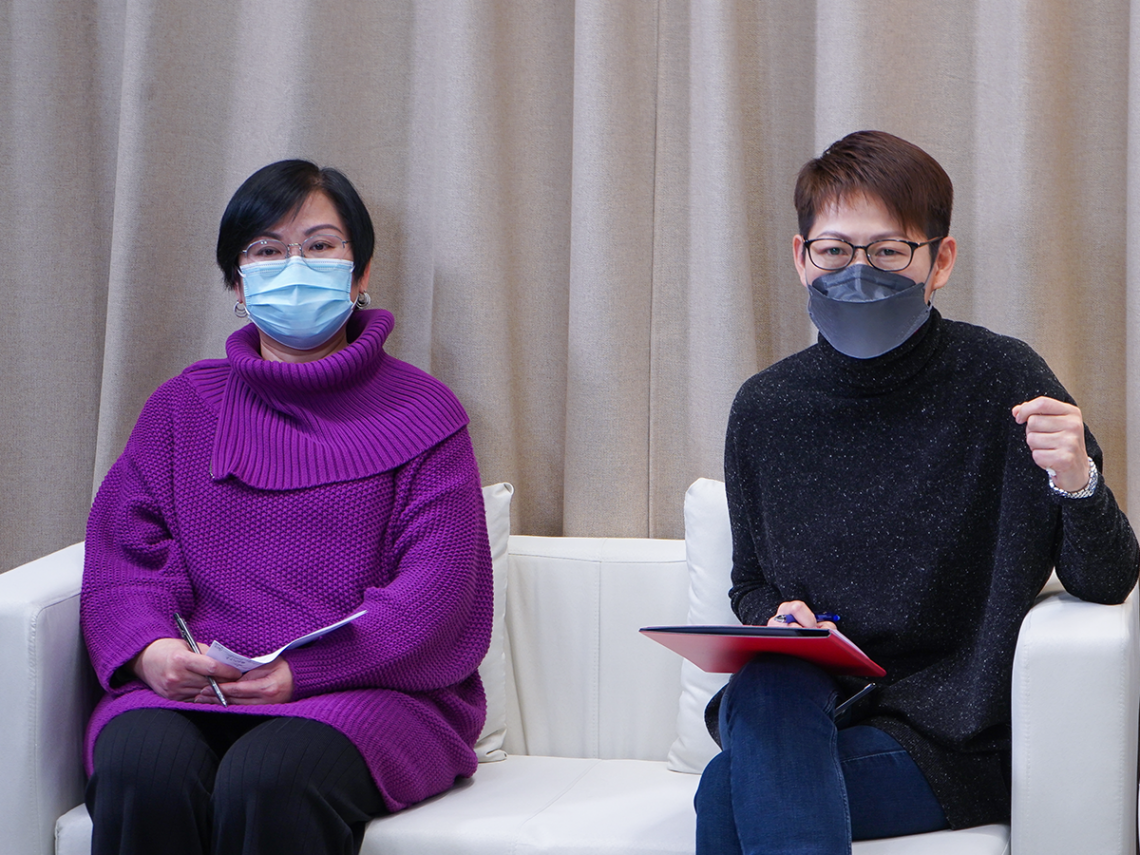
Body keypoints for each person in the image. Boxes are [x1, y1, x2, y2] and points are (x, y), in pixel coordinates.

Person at [693, 130, 1140, 854]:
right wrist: (775, 614)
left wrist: (1078, 481)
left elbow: (1110, 577)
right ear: (801, 257)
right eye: (835, 250)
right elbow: (750, 582)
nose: (858, 273)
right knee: (771, 678)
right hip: (815, 704)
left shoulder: (1001, 378)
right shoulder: (765, 408)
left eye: (889, 251)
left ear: (941, 260)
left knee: (724, 791)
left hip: (950, 735)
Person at [80, 160, 493, 855]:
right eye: (266, 251)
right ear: (239, 286)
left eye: (320, 244)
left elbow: (437, 594)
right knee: (139, 765)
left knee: (268, 776)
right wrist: (152, 652)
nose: (293, 265)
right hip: (200, 689)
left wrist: (304, 674)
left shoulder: (425, 412)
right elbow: (124, 558)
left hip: (376, 695)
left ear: (360, 274)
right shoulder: (183, 408)